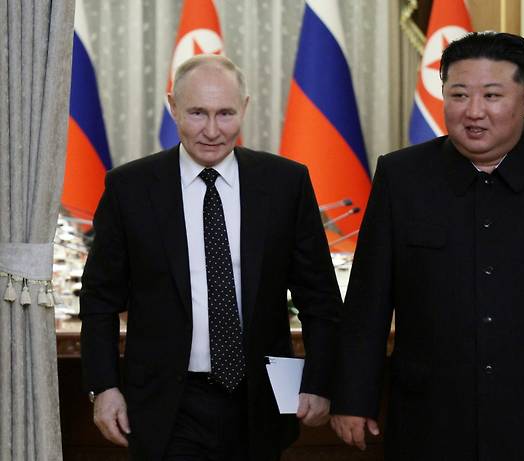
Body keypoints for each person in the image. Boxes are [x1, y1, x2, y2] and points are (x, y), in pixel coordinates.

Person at [330, 32, 524, 460]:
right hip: (431, 414)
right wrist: (353, 399)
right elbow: (368, 303)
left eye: (492, 95)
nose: (473, 112)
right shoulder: (401, 177)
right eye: (458, 94)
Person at [80, 54, 342, 460]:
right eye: (197, 113)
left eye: (225, 114)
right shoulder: (129, 188)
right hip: (166, 402)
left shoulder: (286, 183)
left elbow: (319, 297)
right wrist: (104, 386)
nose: (212, 131)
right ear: (172, 107)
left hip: (259, 400)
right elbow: (99, 298)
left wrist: (321, 380)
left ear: (245, 108)